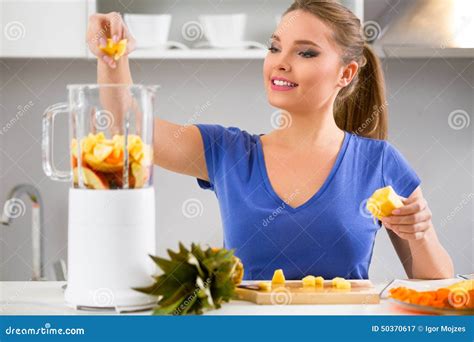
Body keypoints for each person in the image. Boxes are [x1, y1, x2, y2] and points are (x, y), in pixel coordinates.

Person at [86, 0, 454, 281]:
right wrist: (111, 58)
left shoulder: (380, 162)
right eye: (275, 47)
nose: (281, 62)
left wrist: (419, 233)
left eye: (305, 52)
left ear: (346, 72)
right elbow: (130, 126)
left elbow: (435, 283)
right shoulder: (228, 153)